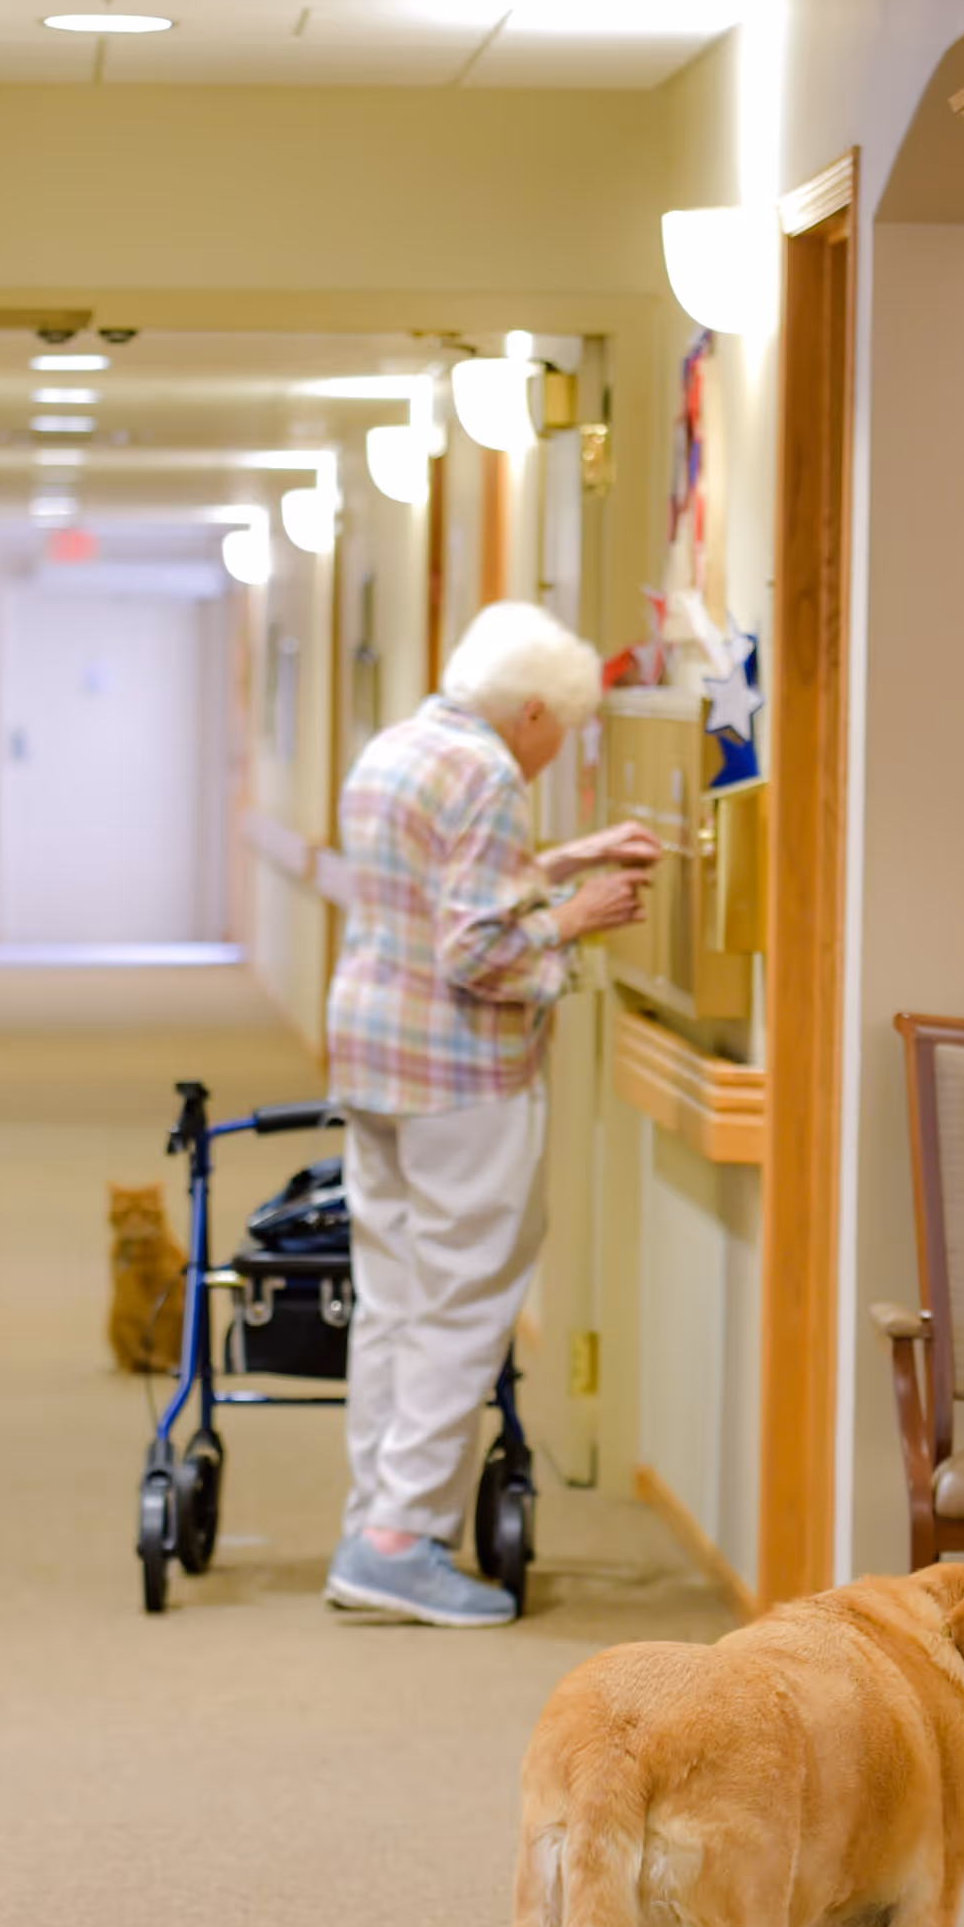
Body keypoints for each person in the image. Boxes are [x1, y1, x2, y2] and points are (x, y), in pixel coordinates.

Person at [322, 602, 658, 1625]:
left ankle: (370, 1516)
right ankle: (400, 1538)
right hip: (459, 1071)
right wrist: (575, 917)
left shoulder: (400, 747)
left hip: (375, 1054)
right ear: (529, 709)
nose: (556, 751)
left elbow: (437, 891)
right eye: (560, 728)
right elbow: (475, 951)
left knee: (393, 1294)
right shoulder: (490, 773)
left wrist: (556, 859)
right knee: (463, 1301)